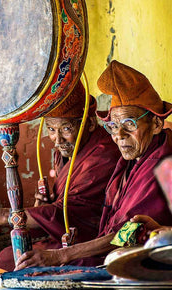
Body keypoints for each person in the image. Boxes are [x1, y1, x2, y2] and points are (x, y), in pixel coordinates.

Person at [14, 60, 172, 271]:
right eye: (113, 126)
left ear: (156, 124)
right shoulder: (134, 159)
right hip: (115, 253)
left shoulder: (161, 164)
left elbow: (130, 232)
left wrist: (62, 255)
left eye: (129, 124)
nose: (118, 136)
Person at [0, 79, 120, 271]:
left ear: (89, 123)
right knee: (8, 257)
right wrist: (44, 206)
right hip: (66, 235)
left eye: (66, 128)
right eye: (51, 129)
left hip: (92, 243)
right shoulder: (66, 150)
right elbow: (60, 207)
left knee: (14, 260)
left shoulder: (104, 154)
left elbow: (73, 211)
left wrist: (0, 216)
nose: (57, 139)